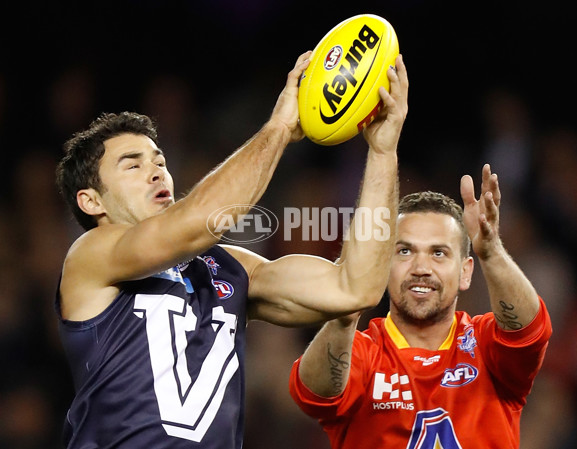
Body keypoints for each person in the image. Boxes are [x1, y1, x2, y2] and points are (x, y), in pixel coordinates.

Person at [53, 51, 409, 449]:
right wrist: (279, 128)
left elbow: (354, 288)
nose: (156, 171)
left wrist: (382, 152)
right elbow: (200, 219)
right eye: (132, 165)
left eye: (160, 160)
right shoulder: (90, 256)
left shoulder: (225, 266)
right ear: (91, 202)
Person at [289, 164, 552, 449]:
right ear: (382, 267)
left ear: (465, 272)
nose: (421, 268)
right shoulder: (360, 354)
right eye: (405, 251)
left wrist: (491, 251)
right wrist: (344, 316)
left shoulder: (485, 345)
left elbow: (528, 330)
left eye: (438, 253)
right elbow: (315, 395)